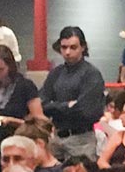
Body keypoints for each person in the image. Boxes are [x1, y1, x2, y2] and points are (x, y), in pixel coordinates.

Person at [41, 26, 107, 161]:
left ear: (83, 47)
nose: (67, 52)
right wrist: (67, 106)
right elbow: (41, 103)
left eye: (73, 47)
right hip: (57, 137)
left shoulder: (91, 74)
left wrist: (54, 106)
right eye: (64, 47)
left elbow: (85, 110)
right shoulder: (56, 73)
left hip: (82, 139)